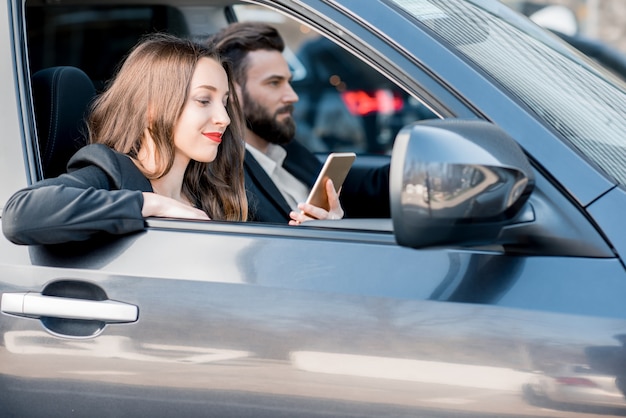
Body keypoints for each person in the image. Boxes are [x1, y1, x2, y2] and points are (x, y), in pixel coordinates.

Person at [2, 33, 247, 245]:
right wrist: (150, 204)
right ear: (152, 107)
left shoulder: (210, 189)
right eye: (204, 100)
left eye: (224, 102)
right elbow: (19, 214)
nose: (224, 118)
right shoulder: (111, 174)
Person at [208, 22, 390, 225]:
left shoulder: (288, 149)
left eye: (289, 82)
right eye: (274, 83)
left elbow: (362, 191)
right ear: (232, 91)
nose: (292, 96)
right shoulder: (223, 178)